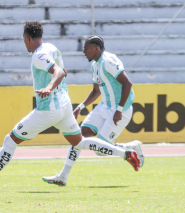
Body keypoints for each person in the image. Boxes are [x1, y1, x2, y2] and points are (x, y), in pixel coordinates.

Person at [0, 22, 141, 191]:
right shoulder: (51, 48)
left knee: (10, 140)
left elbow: (58, 72)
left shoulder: (38, 56)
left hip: (49, 109)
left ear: (27, 39)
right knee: (80, 142)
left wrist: (48, 87)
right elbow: (63, 71)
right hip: (64, 105)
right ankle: (125, 154)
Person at [42, 36, 145, 187]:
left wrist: (119, 110)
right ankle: (63, 176)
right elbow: (96, 91)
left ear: (97, 49)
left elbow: (127, 84)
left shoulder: (109, 61)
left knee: (101, 150)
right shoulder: (95, 65)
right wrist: (80, 107)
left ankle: (131, 147)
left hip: (120, 110)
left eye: (86, 48)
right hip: (104, 106)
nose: (84, 51)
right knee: (79, 135)